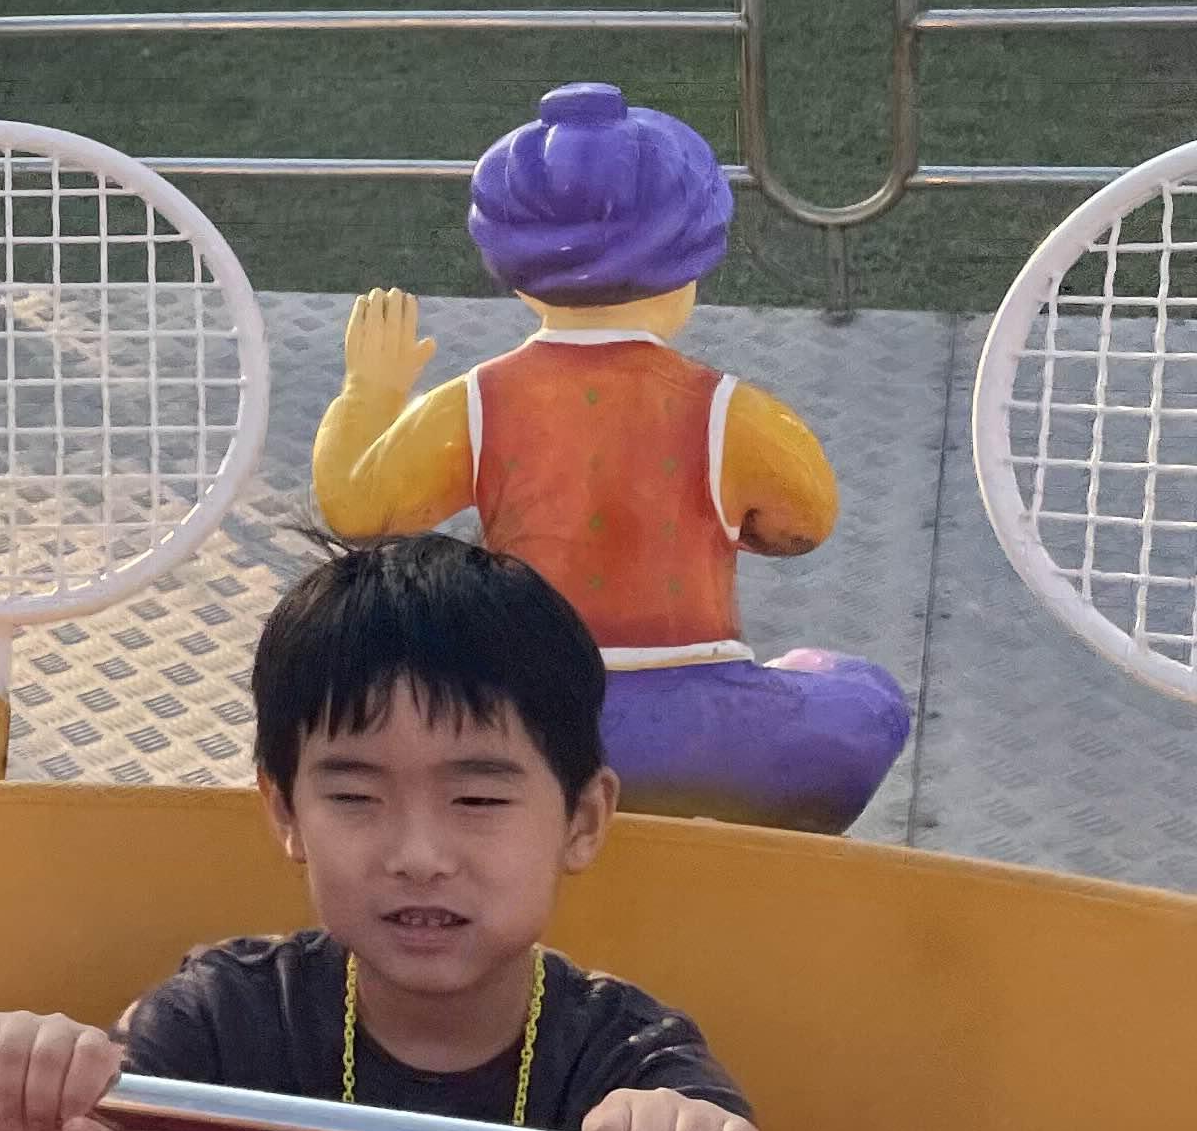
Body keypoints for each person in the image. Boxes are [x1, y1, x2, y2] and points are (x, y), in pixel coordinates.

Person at [0, 534, 847, 1131]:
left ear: (582, 821)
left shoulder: (630, 1061)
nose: (418, 855)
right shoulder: (230, 1017)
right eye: (354, 796)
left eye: (477, 798)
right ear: (285, 813)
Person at [309, 81, 910, 834]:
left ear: (516, 273)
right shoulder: (730, 410)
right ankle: (752, 850)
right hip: (699, 731)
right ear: (688, 267)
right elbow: (805, 522)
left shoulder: (475, 402)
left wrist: (370, 391)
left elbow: (356, 507)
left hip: (531, 722)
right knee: (863, 700)